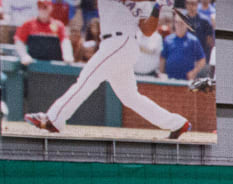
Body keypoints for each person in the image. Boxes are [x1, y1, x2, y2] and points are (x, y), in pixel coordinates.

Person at [24, 0, 191, 139]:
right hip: (114, 44)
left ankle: (53, 119)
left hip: (121, 43)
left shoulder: (145, 3)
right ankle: (177, 123)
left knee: (86, 80)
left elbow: (147, 30)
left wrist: (157, 7)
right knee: (130, 98)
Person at [158, 11, 204, 80]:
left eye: (182, 23)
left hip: (186, 80)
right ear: (174, 23)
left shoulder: (193, 41)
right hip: (169, 80)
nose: (179, 25)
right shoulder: (168, 39)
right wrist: (161, 73)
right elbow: (162, 58)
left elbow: (202, 60)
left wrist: (194, 72)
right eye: (177, 22)